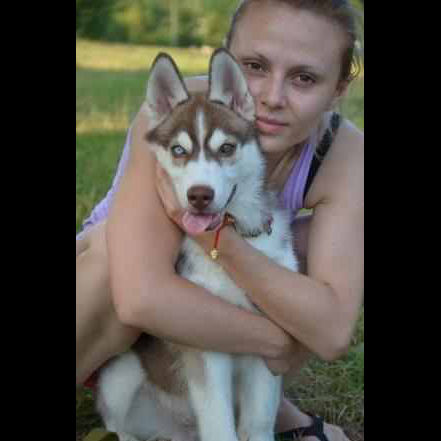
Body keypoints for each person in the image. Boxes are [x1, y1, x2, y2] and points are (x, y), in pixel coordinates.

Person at [76, 0, 364, 440]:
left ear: (339, 87)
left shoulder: (344, 153)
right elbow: (139, 297)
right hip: (108, 317)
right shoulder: (175, 114)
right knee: (112, 253)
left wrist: (220, 241)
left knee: (301, 248)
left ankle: (259, 415)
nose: (271, 97)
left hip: (207, 303)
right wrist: (276, 340)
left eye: (304, 78)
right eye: (255, 66)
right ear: (225, 63)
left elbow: (329, 330)